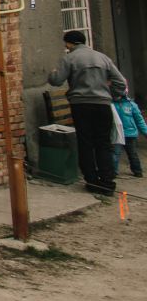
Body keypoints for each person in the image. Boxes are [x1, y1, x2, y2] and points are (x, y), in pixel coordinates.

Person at [49, 30, 128, 194]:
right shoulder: (103, 57)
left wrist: (52, 74)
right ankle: (107, 182)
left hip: (81, 105)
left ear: (70, 43)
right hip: (102, 105)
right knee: (103, 143)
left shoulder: (69, 58)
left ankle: (92, 181)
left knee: (85, 142)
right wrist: (111, 95)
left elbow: (56, 81)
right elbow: (120, 81)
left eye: (66, 44)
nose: (66, 47)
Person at [115, 86, 146, 179]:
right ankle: (113, 172)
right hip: (117, 134)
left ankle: (137, 171)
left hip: (130, 134)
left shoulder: (131, 105)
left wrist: (145, 132)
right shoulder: (111, 105)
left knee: (133, 154)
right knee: (115, 154)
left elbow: (140, 121)